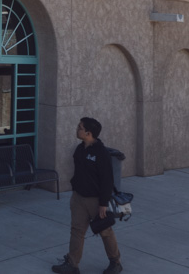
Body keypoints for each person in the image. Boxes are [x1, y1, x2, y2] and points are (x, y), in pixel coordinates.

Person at [52, 117, 122, 274]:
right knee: (76, 230)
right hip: (78, 198)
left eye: (80, 127)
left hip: (96, 201)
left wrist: (103, 203)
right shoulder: (79, 149)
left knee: (105, 231)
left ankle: (115, 263)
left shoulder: (101, 153)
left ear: (88, 133)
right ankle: (72, 264)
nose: (77, 129)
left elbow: (107, 180)